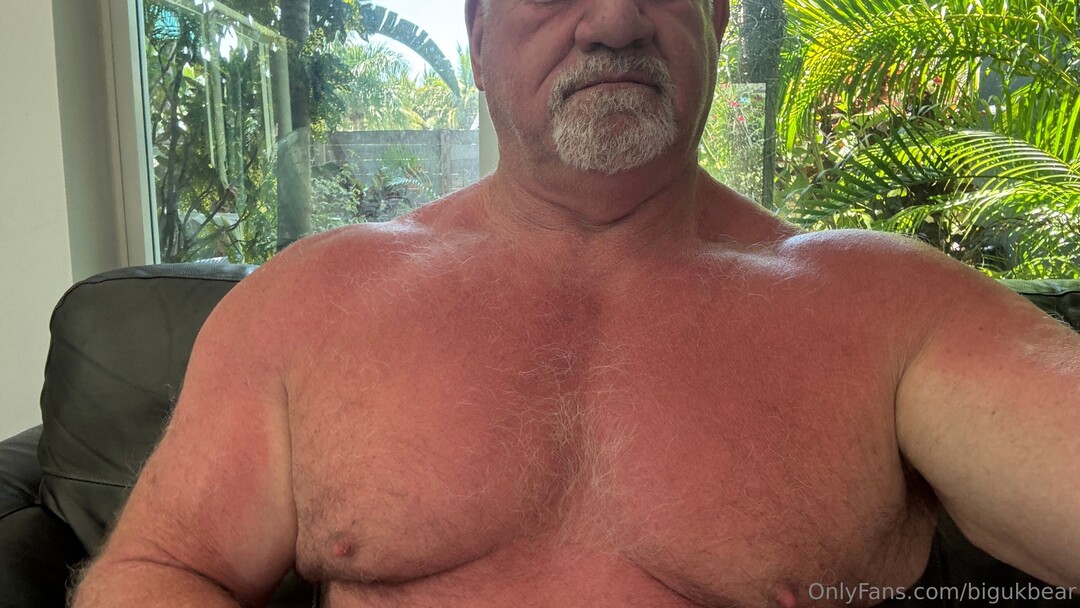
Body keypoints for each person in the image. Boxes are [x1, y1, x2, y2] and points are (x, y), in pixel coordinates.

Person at [72, 0, 1080, 606]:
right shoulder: (312, 301)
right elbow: (163, 567)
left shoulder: (889, 309)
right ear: (478, 38)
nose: (614, 20)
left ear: (717, 18)